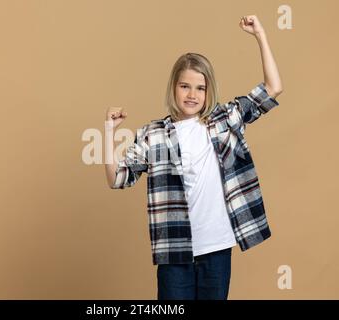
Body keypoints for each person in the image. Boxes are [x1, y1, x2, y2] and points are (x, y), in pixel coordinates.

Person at [104, 15, 283, 300]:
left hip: (217, 251)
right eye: (185, 86)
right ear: (173, 88)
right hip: (175, 254)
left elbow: (272, 88)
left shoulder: (225, 120)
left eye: (200, 88)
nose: (192, 95)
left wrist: (260, 34)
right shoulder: (154, 134)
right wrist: (109, 132)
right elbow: (117, 178)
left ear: (208, 90)